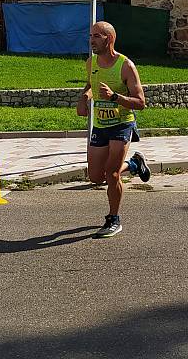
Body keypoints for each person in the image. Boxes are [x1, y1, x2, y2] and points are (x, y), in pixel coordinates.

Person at [77, 21, 150, 238]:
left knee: (112, 174)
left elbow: (140, 102)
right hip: (100, 125)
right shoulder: (91, 63)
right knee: (95, 177)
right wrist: (84, 98)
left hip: (122, 124)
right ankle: (135, 164)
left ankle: (114, 219)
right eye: (90, 35)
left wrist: (115, 97)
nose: (91, 40)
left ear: (109, 39)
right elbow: (91, 84)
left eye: (97, 36)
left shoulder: (126, 66)